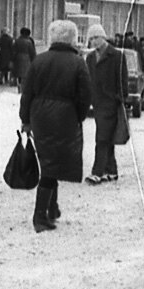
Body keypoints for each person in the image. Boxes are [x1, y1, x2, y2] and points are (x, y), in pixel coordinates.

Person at [20, 19, 92, 233]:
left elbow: (27, 93)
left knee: (49, 161)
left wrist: (25, 119)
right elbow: (85, 95)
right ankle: (40, 215)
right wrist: (78, 116)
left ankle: (52, 207)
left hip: (40, 116)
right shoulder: (78, 63)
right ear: (72, 38)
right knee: (55, 164)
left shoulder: (39, 61)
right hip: (65, 117)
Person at [84, 23, 128, 185]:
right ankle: (111, 170)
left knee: (102, 137)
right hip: (97, 103)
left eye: (96, 37)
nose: (94, 41)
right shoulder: (90, 58)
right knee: (106, 137)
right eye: (91, 39)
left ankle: (98, 171)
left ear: (103, 37)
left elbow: (123, 80)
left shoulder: (116, 56)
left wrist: (120, 98)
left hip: (111, 102)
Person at [12, 26, 37, 92]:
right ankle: (23, 87)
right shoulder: (29, 42)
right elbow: (32, 52)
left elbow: (13, 51)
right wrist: (34, 60)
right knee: (25, 74)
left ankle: (19, 85)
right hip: (27, 59)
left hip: (18, 58)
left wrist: (12, 59)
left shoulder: (17, 41)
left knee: (19, 74)